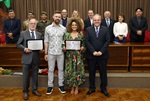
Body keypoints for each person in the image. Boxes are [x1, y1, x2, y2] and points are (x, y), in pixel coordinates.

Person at [85, 14, 110, 97]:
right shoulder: (88, 29)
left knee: (103, 72)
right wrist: (93, 51)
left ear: (100, 20)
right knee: (91, 72)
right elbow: (87, 41)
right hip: (91, 55)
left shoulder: (106, 29)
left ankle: (103, 89)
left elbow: (107, 41)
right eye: (95, 20)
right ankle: (92, 88)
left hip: (102, 55)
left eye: (98, 20)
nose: (96, 21)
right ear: (93, 21)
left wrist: (101, 52)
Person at [16, 18, 42, 100]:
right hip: (26, 58)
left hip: (36, 58)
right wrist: (24, 49)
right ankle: (25, 92)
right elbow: (18, 44)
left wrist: (41, 48)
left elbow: (41, 44)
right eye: (31, 23)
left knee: (35, 75)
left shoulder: (39, 34)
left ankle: (34, 90)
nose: (33, 25)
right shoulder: (23, 33)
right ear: (28, 24)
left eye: (34, 23)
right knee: (26, 76)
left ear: (36, 25)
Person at [44, 11, 66, 95]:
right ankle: (50, 86)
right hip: (51, 52)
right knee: (50, 70)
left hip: (60, 53)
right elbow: (46, 41)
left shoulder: (63, 28)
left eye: (59, 17)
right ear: (53, 17)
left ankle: (61, 85)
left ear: (61, 18)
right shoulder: (48, 28)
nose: (57, 18)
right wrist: (46, 53)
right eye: (56, 16)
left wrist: (64, 46)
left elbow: (65, 40)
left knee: (61, 69)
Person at [63, 17, 85, 94]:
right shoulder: (67, 35)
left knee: (77, 71)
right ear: (70, 26)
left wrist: (83, 48)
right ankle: (72, 86)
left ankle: (77, 87)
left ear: (78, 26)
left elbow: (84, 45)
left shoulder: (81, 35)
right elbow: (63, 44)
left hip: (78, 57)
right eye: (73, 25)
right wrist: (64, 48)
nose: (74, 26)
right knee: (70, 72)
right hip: (69, 57)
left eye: (75, 25)